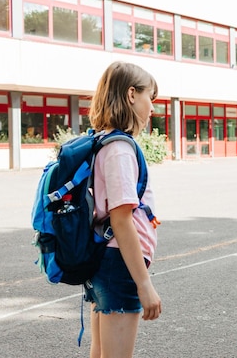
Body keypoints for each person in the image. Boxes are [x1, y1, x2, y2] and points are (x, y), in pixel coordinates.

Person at [84, 61, 162, 358]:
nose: (152, 108)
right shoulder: (119, 148)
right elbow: (121, 219)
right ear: (131, 94)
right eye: (149, 97)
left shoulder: (102, 141)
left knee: (101, 350)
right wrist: (144, 284)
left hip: (105, 256)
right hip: (119, 263)